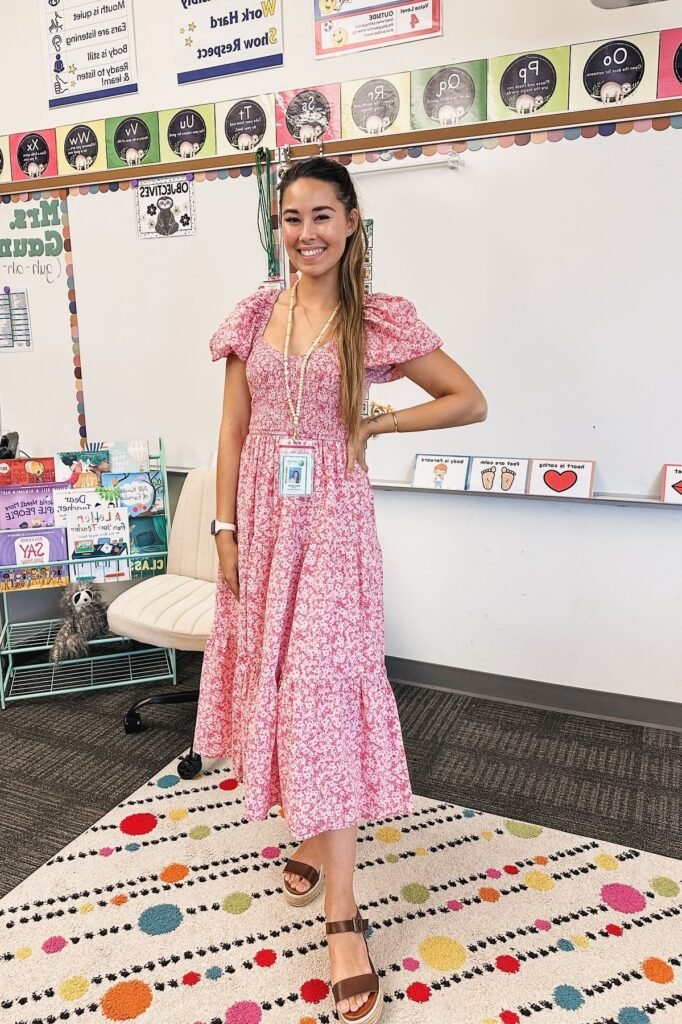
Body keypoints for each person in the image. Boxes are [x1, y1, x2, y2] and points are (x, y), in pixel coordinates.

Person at [193, 155, 487, 1022]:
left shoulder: (375, 320)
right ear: (276, 226)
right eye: (291, 218)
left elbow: (468, 400)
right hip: (262, 515)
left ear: (353, 222)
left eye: (323, 216)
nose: (306, 234)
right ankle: (318, 839)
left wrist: (379, 420)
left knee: (322, 691)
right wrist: (222, 527)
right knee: (277, 682)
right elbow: (234, 427)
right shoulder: (253, 313)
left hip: (333, 524)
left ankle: (342, 914)